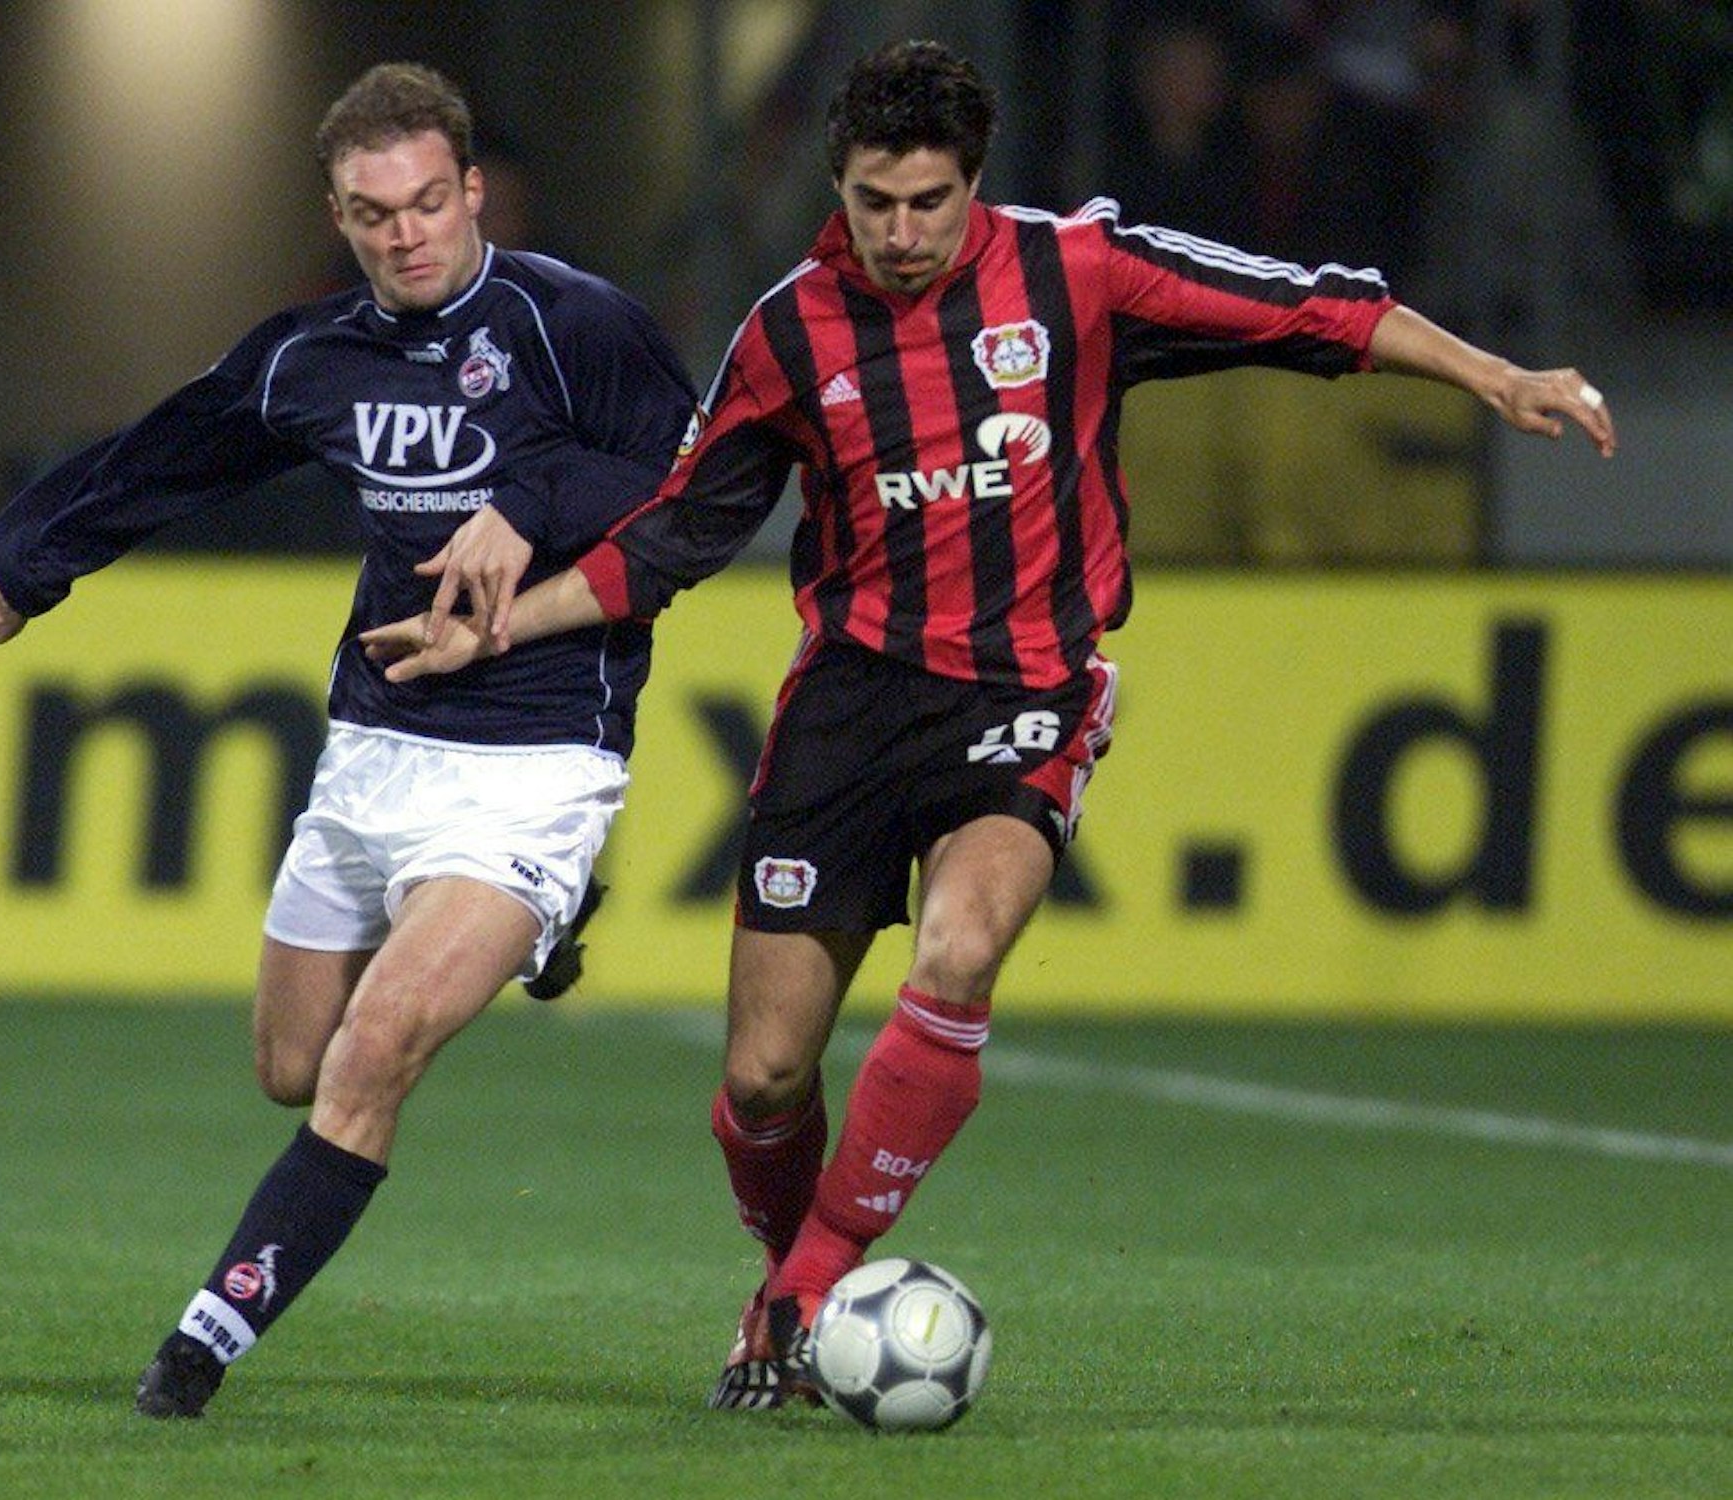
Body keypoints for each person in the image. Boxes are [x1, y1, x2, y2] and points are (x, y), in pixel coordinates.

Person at [361, 39, 1617, 1409]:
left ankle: (791, 1299)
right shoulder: (790, 330)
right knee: (766, 1079)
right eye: (870, 202)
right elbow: (672, 535)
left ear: (976, 185)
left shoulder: (1078, 273)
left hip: (1024, 690)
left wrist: (1498, 378)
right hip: (846, 708)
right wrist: (504, 622)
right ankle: (806, 1287)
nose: (899, 234)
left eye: (929, 203)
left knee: (959, 953)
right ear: (835, 186)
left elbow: (1312, 310)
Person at [0, 62, 696, 1417]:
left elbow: (687, 476)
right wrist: (24, 570)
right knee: (294, 1066)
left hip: (533, 761)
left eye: (427, 202)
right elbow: (173, 452)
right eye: (373, 213)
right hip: (376, 747)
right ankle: (535, 929)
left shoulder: (576, 326)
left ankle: (197, 1349)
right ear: (340, 218)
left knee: (369, 1058)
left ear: (473, 191)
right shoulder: (313, 355)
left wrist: (527, 501)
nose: (406, 234)